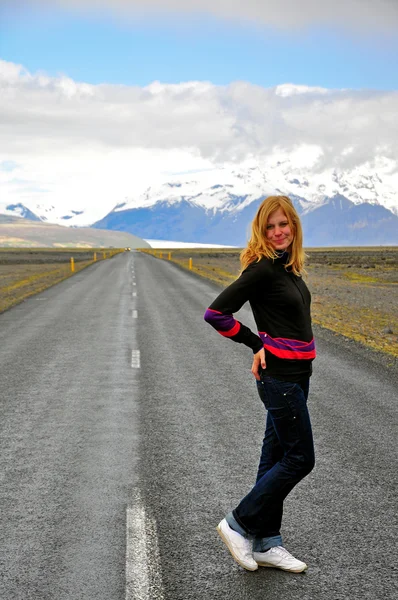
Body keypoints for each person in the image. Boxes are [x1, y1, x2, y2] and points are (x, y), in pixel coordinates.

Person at [204, 195, 316, 573]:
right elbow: (216, 313)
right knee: (301, 458)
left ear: (294, 226)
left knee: (274, 459)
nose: (278, 231)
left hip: (299, 376)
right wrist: (256, 344)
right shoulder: (263, 268)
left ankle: (267, 542)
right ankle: (238, 523)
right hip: (280, 378)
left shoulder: (290, 269)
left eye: (283, 224)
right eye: (270, 226)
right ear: (261, 231)